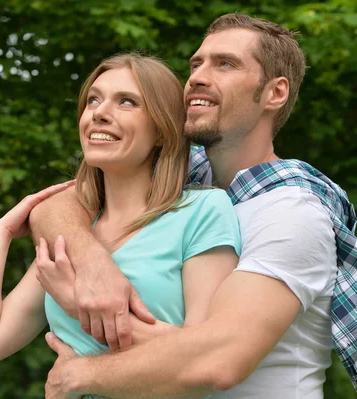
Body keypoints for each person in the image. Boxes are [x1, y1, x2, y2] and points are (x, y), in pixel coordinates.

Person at [32, 13, 357, 399]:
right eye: (196, 64)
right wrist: (92, 261)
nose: (198, 77)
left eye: (225, 64)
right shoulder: (179, 182)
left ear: (276, 93)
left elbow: (217, 362)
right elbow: (55, 205)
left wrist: (79, 372)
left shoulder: (291, 211)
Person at [0, 54, 242, 386]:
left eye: (126, 102)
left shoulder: (202, 212)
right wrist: (1, 232)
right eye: (93, 100)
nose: (99, 114)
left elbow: (202, 362)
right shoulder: (73, 237)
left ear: (162, 132)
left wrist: (79, 308)